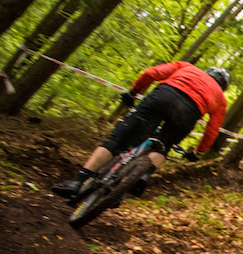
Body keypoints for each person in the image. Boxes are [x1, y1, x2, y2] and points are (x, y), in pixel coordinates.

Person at [53, 62, 230, 199]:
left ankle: (77, 181)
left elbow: (150, 73)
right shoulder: (220, 99)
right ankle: (143, 175)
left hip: (163, 96)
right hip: (189, 114)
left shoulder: (187, 67)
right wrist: (199, 151)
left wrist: (133, 92)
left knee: (118, 140)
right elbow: (212, 128)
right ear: (222, 86)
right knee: (163, 147)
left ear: (207, 72)